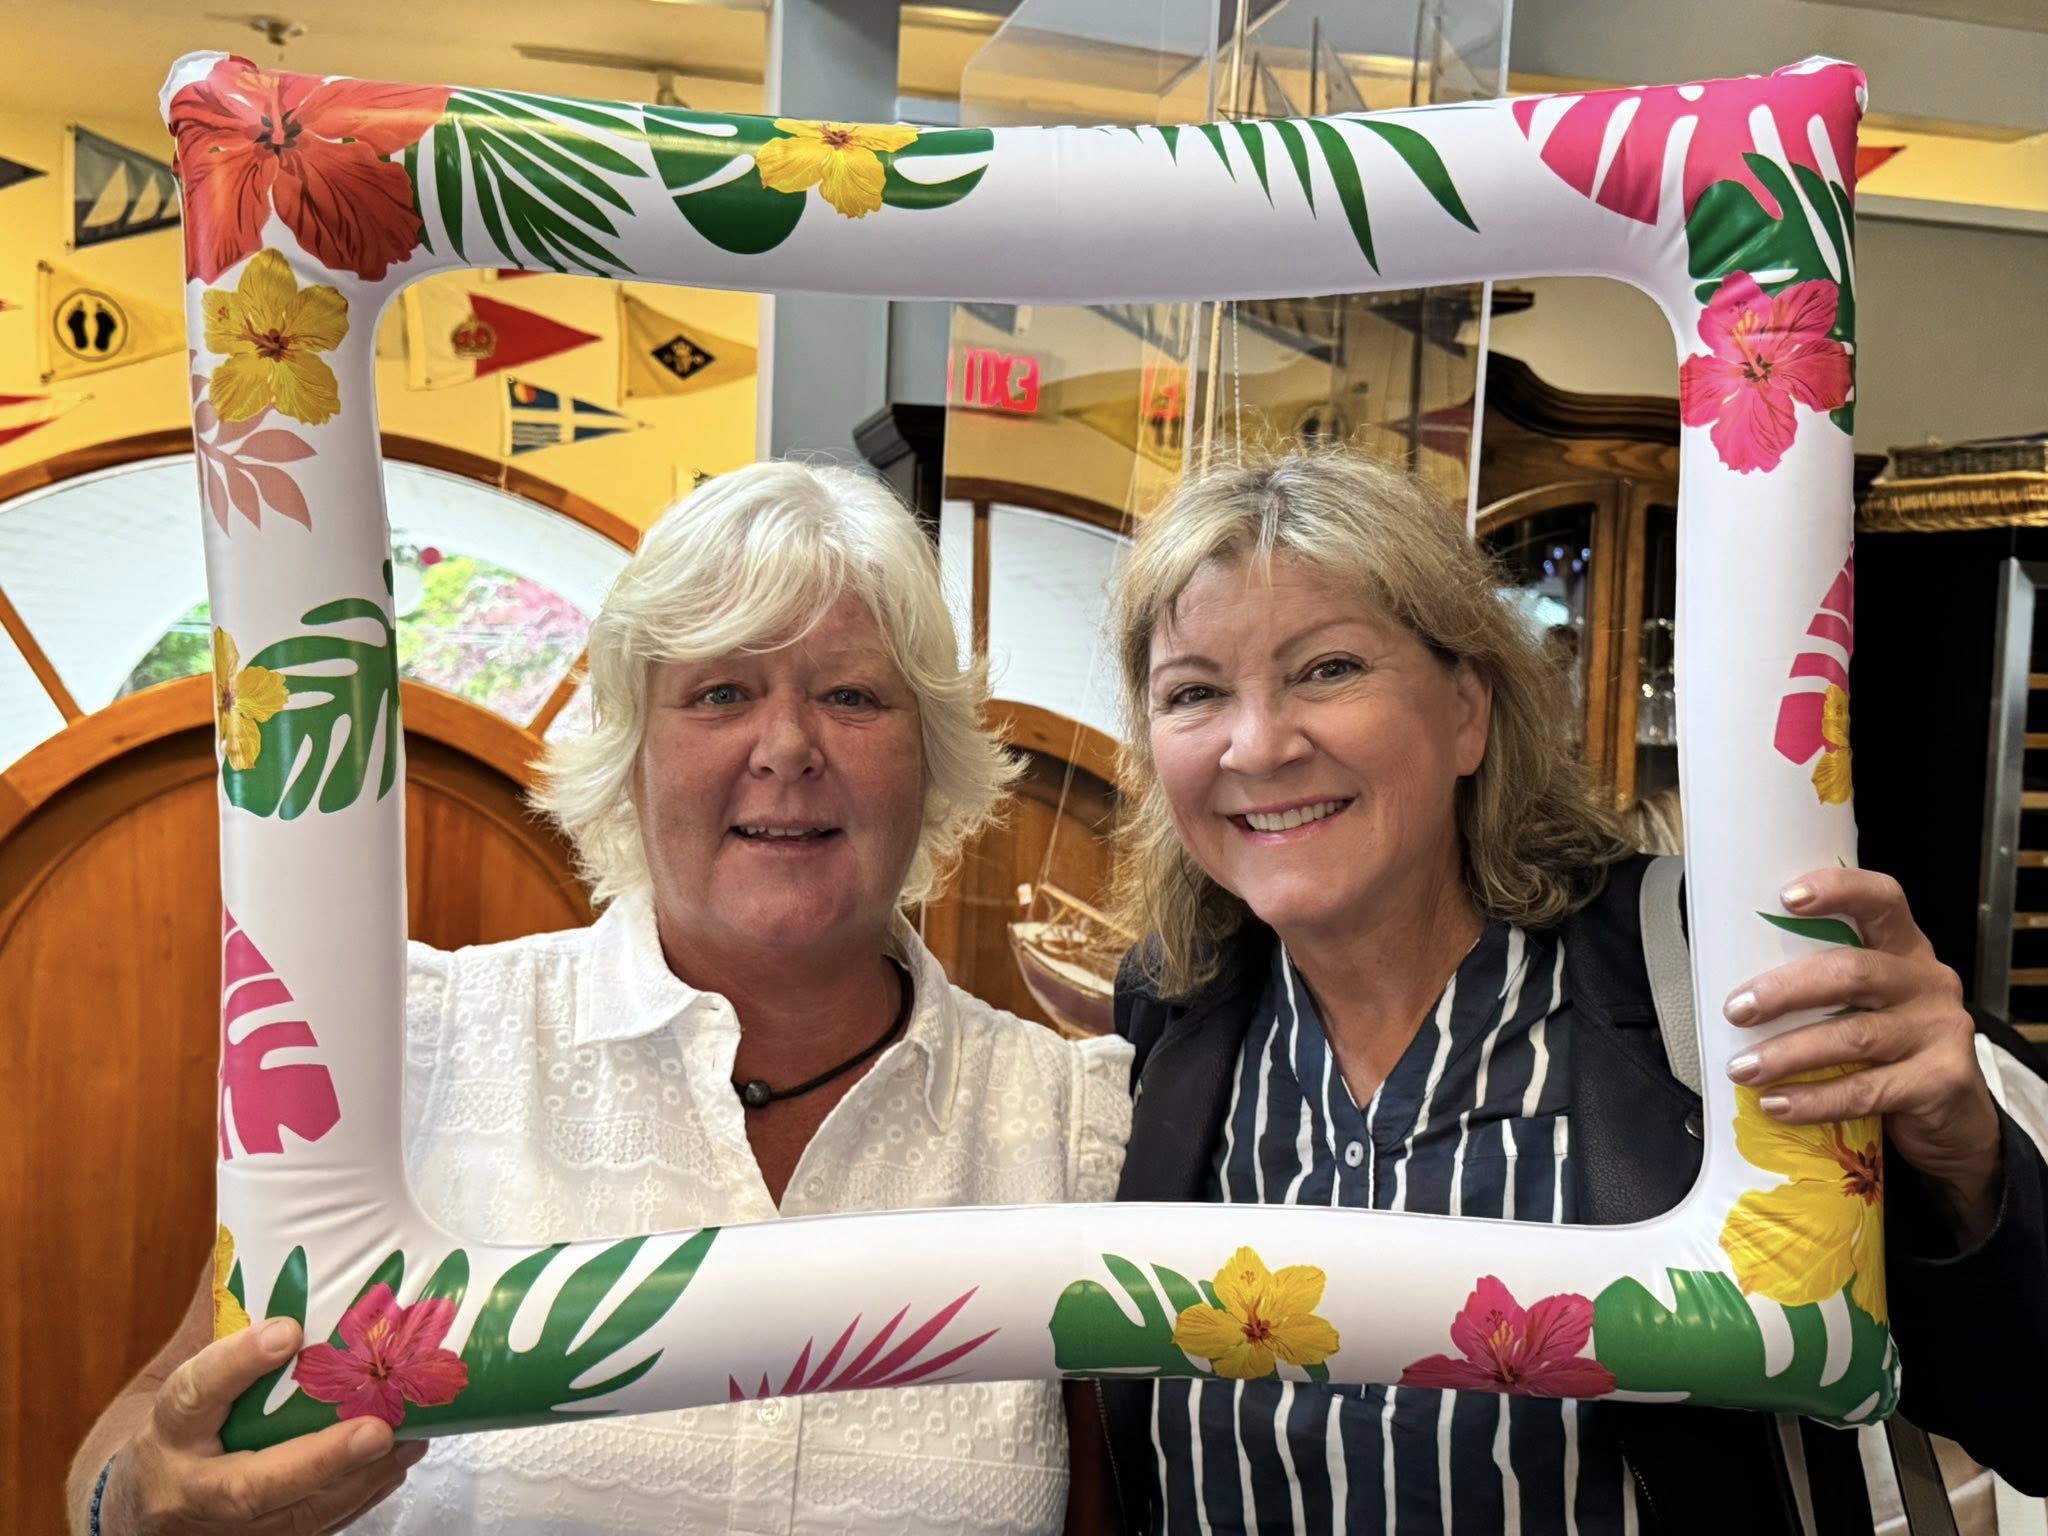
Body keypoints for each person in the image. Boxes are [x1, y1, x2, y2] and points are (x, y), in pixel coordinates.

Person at [70, 461, 1135, 1535]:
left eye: (850, 696)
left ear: (931, 755)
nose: (786, 749)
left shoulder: (1070, 1129)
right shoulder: (414, 1048)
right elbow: (151, 1431)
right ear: (632, 754)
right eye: (721, 693)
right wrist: (137, 1503)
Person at [1079, 450, 2048, 1532]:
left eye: (1328, 669)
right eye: (1194, 693)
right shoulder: (1171, 1009)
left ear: (1467, 710)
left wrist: (1965, 1166)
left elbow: (2027, 1412)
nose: (1257, 746)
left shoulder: (1701, 981)